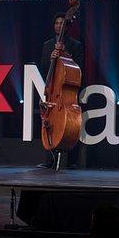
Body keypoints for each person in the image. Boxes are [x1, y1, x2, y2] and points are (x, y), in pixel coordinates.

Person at [37, 12, 84, 169]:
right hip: (53, 91)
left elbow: (79, 68)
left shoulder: (75, 45)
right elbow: (44, 69)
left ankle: (72, 161)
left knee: (71, 123)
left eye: (62, 23)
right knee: (49, 122)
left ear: (67, 26)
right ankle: (49, 159)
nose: (59, 25)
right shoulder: (47, 45)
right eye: (56, 23)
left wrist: (65, 53)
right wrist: (51, 57)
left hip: (66, 94)